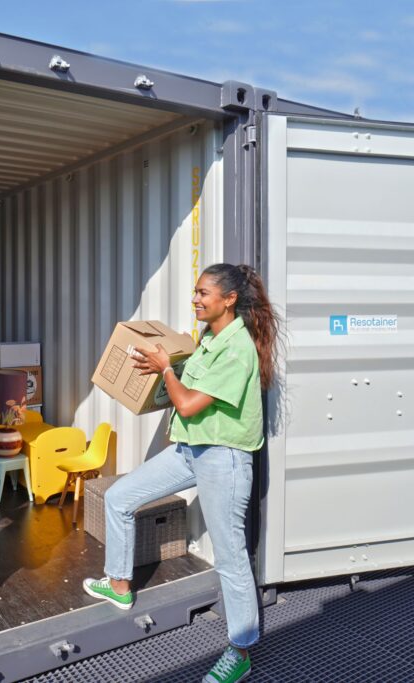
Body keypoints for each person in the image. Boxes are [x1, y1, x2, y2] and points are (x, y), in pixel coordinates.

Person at [82, 263, 279, 683]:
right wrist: (163, 369)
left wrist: (167, 370)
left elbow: (188, 404)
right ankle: (119, 584)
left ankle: (240, 651)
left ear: (228, 300)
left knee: (230, 559)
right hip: (191, 449)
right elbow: (188, 389)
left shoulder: (237, 348)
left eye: (203, 293)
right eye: (194, 291)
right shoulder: (209, 338)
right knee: (120, 498)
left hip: (223, 459)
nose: (195, 299)